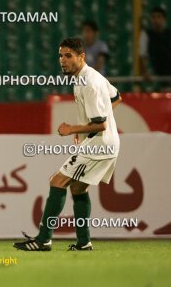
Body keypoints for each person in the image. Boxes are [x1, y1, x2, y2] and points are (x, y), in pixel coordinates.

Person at [14, 37, 122, 251]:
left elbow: (100, 125)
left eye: (68, 56)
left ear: (82, 57)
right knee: (78, 187)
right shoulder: (90, 77)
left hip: (100, 144)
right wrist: (86, 129)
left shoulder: (90, 83)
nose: (62, 60)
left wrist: (73, 129)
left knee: (57, 181)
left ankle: (43, 239)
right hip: (102, 143)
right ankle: (84, 242)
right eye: (60, 56)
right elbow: (117, 97)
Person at [139, 6, 171, 89]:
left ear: (164, 19)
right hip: (155, 77)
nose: (156, 20)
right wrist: (145, 72)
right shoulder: (146, 34)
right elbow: (142, 55)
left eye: (159, 17)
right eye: (153, 17)